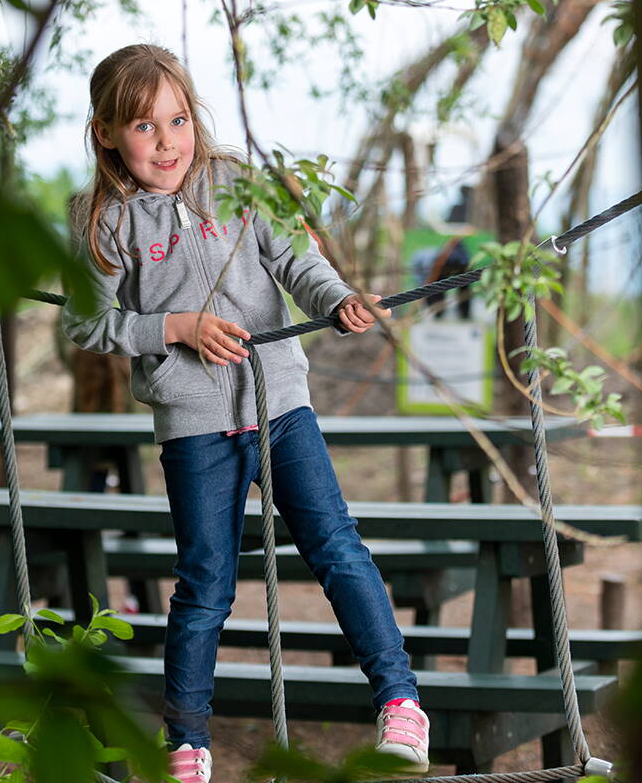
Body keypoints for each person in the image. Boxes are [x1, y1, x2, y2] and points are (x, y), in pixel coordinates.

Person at [62, 44, 429, 782]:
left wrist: (337, 301)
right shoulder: (102, 218)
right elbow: (87, 325)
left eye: (177, 120)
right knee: (205, 584)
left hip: (280, 402)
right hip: (193, 419)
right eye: (143, 127)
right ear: (106, 133)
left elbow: (298, 263)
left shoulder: (233, 185)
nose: (167, 142)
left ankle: (400, 703)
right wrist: (174, 326)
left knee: (335, 545)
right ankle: (187, 746)